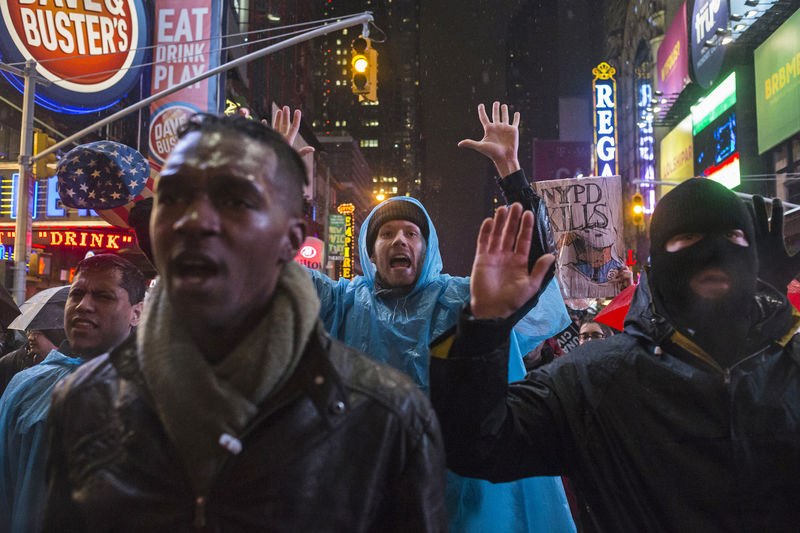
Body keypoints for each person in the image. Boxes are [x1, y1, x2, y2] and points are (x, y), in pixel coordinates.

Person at [43, 114, 446, 531]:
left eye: (234, 201)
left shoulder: (388, 416)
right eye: (174, 198)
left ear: (291, 238)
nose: (194, 221)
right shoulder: (85, 400)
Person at [430, 178, 800, 531]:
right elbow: (479, 441)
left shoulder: (791, 362)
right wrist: (481, 328)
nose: (715, 252)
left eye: (732, 237)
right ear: (657, 261)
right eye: (689, 237)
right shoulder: (593, 380)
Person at [284, 102, 575, 532]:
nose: (399, 240)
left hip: (461, 495)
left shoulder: (461, 298)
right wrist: (272, 177)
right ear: (370, 250)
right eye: (386, 233)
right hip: (366, 489)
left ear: (426, 247)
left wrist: (510, 169)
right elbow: (270, 269)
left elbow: (531, 267)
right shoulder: (342, 301)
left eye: (411, 233)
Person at [0, 254, 145, 533]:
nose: (83, 306)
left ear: (136, 313)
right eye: (76, 294)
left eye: (103, 296)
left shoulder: (158, 391)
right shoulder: (25, 385)